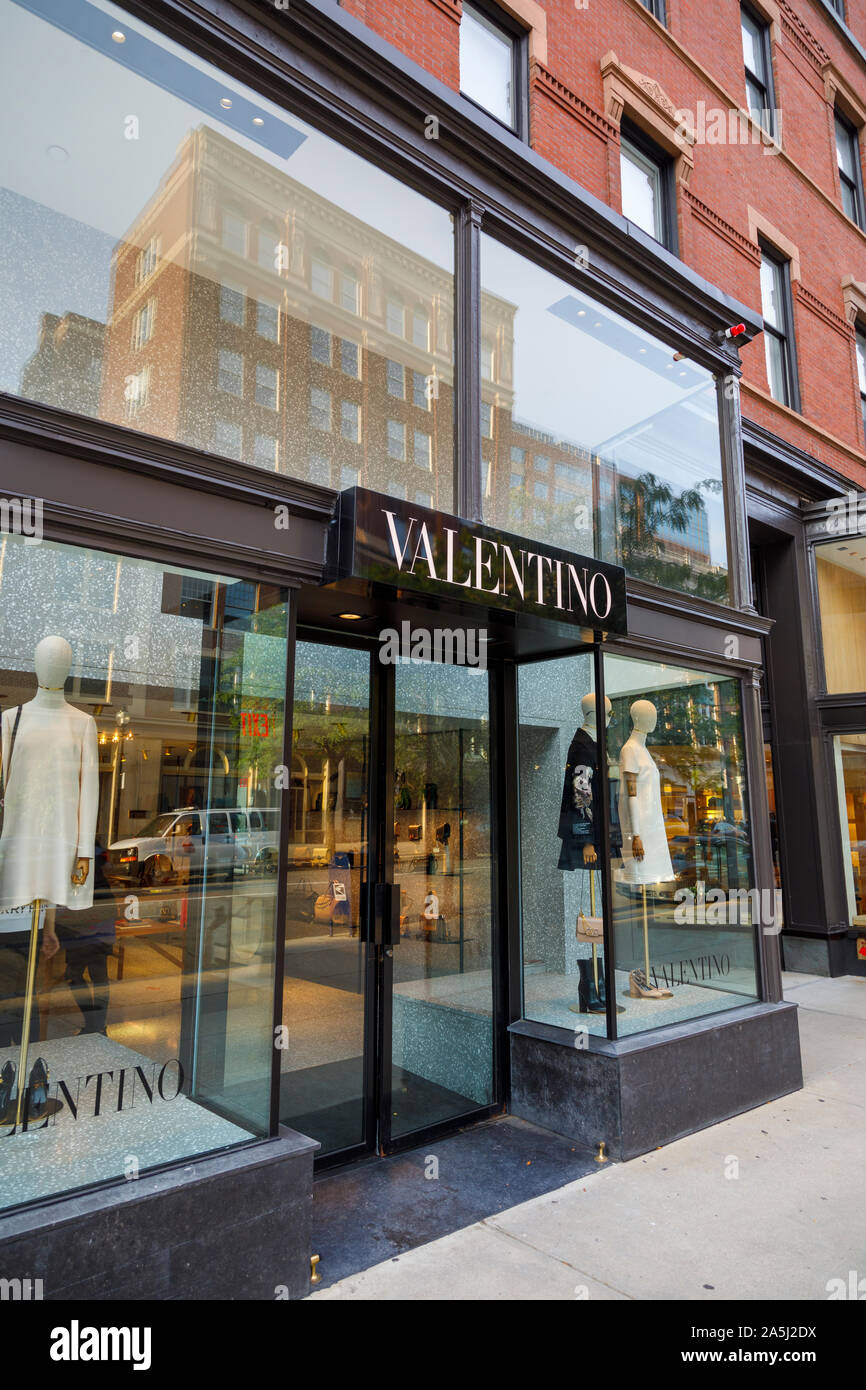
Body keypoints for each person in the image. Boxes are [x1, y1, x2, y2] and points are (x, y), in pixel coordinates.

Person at [54, 839, 117, 1035]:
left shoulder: (73, 849)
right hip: (98, 923)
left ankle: (94, 1024)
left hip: (85, 928)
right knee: (98, 978)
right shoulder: (91, 846)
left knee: (76, 975)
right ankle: (97, 1025)